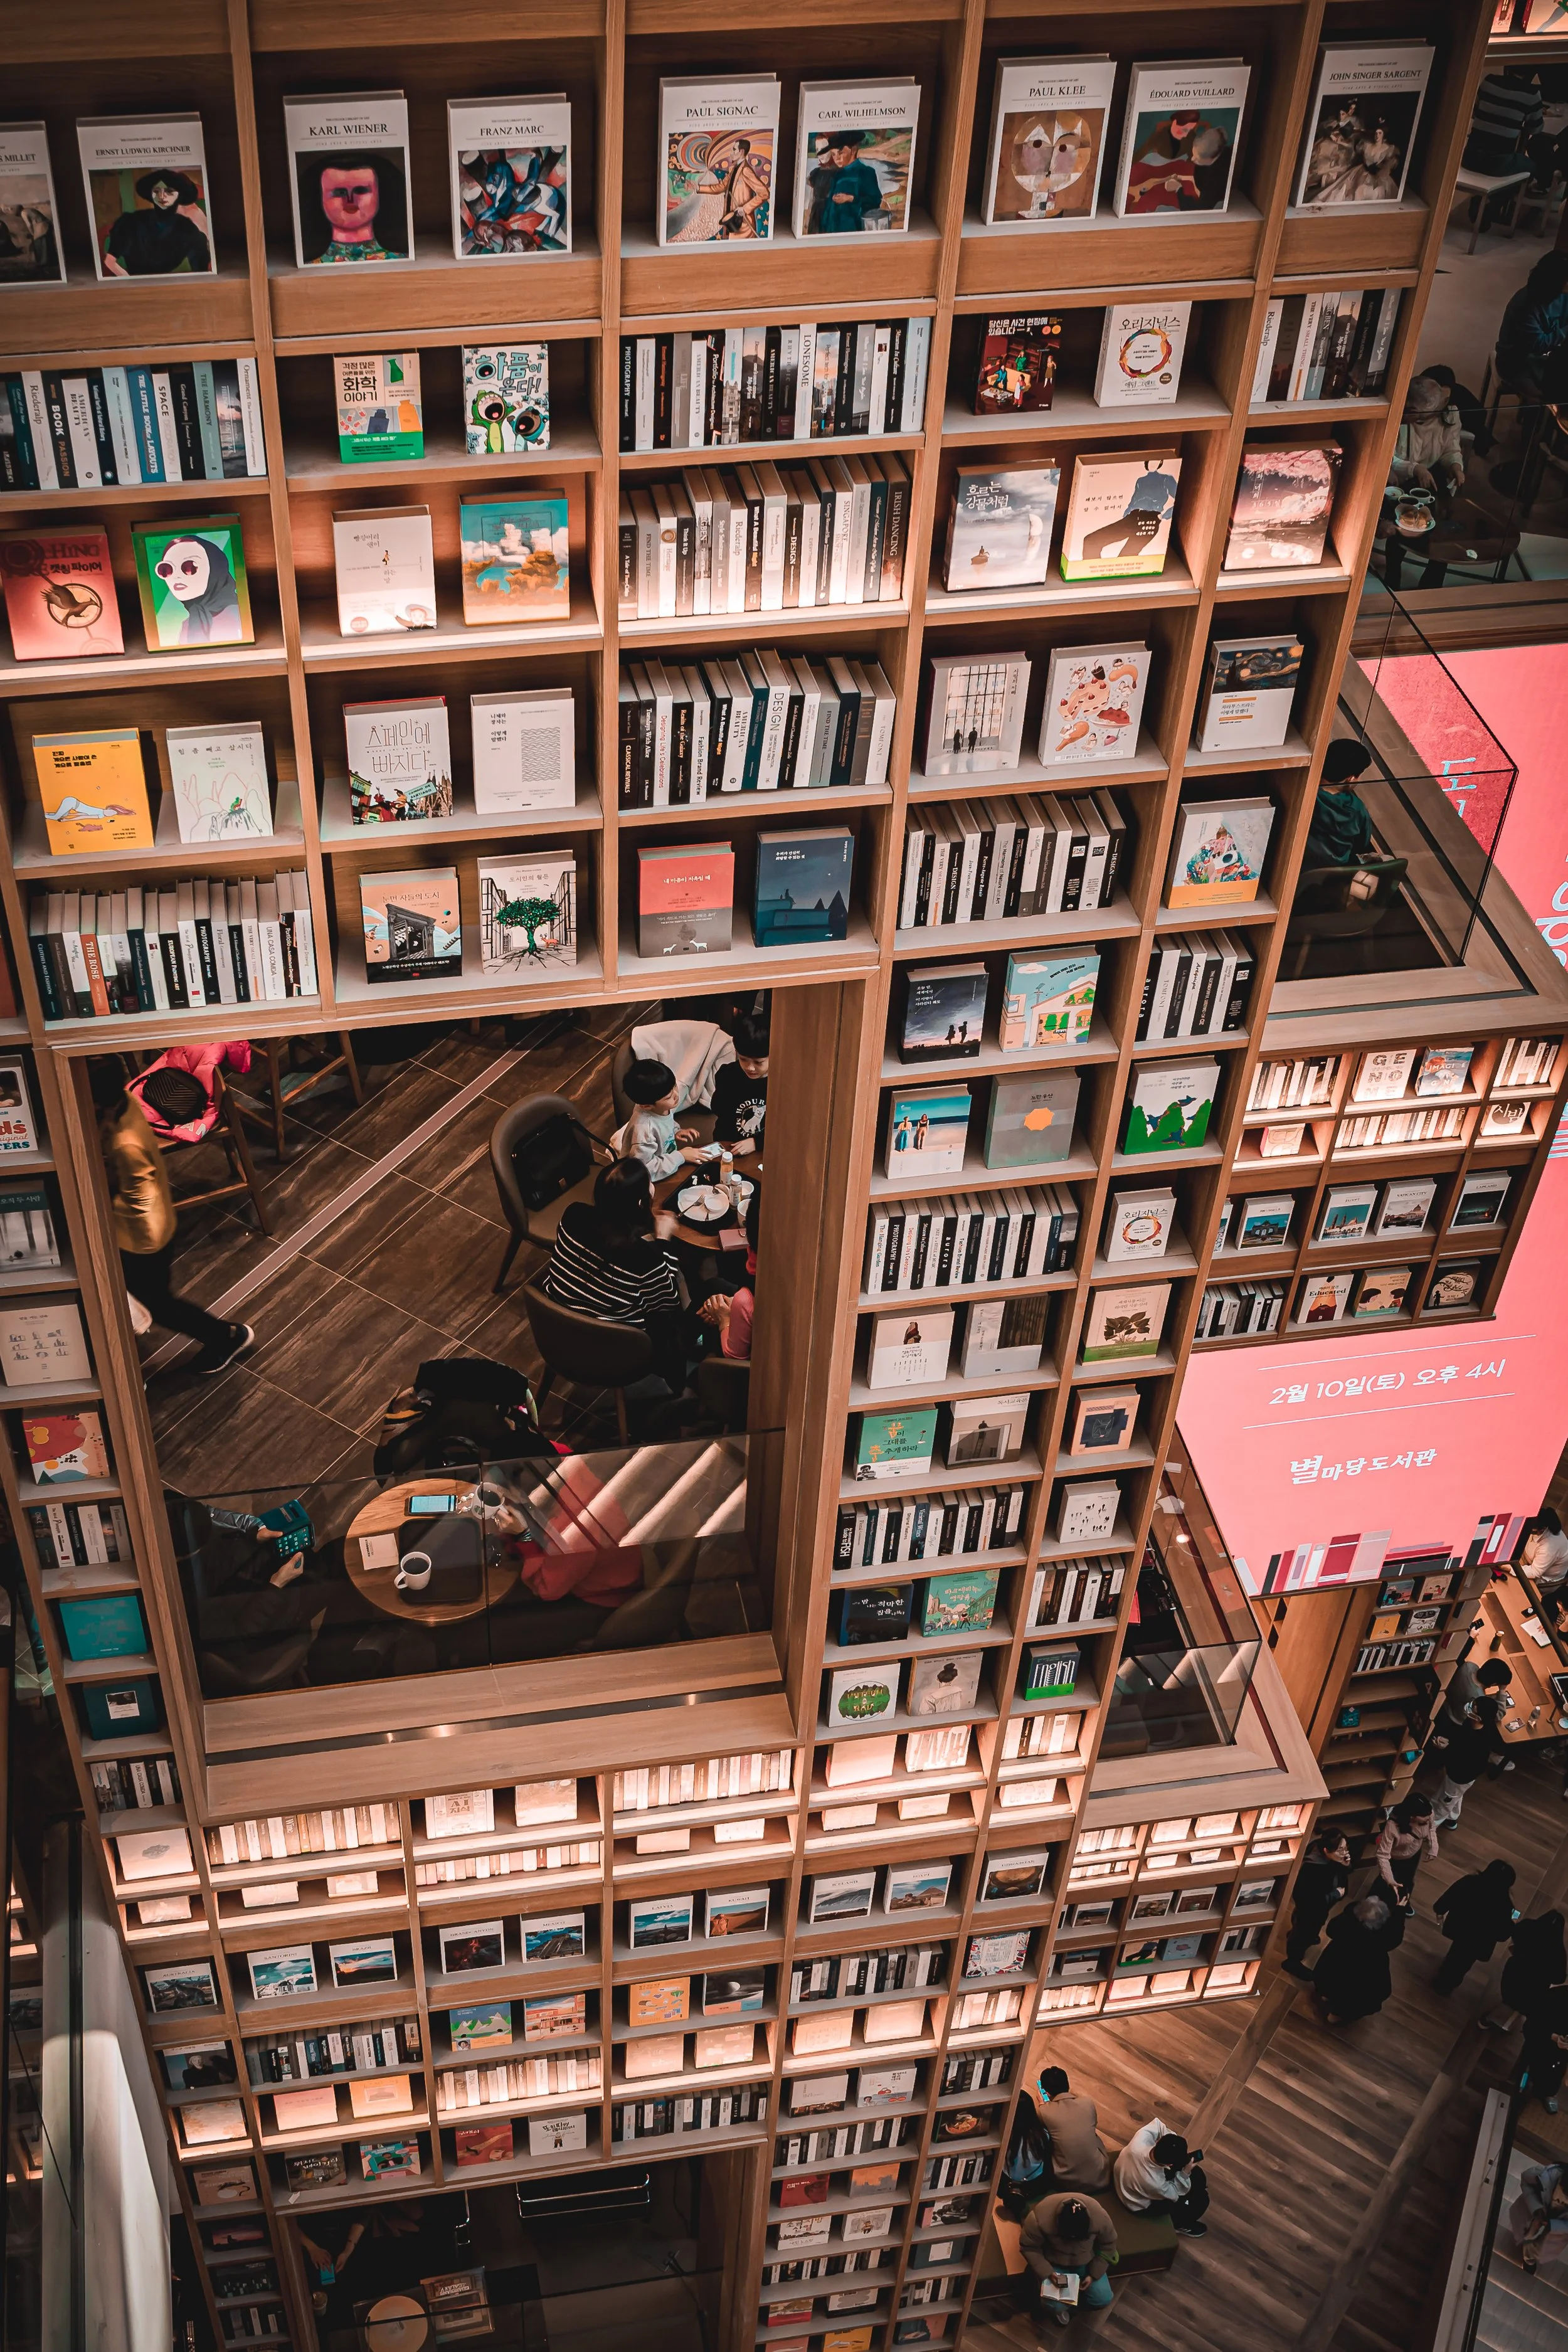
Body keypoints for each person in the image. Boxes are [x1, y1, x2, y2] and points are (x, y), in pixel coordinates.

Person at [88, 1057, 254, 1375]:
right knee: (153, 1299)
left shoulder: (125, 1144)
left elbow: (139, 1195)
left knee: (158, 1304)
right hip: (147, 1225)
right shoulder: (122, 1103)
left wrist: (106, 1217)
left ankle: (225, 1337)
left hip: (143, 1236)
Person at [542, 1157, 684, 1394]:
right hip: (612, 1350)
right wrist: (663, 1242)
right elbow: (667, 1299)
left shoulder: (572, 1215)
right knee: (670, 1321)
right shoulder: (643, 1257)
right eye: (650, 1184)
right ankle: (680, 1382)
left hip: (555, 1331)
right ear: (641, 1203)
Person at [1380, 375, 1465, 591]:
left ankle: (1431, 586)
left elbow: (1451, 449)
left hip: (1432, 477)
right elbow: (1388, 455)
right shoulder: (1403, 417)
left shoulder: (1448, 414)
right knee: (1402, 527)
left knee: (1442, 532)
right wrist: (1415, 469)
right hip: (1402, 479)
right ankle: (1392, 578)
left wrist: (1455, 466)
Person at [1017, 2191, 1118, 2329]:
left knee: (1103, 2298)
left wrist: (1094, 2274)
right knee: (1054, 2305)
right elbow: (1029, 2247)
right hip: (1055, 2266)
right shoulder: (1038, 2219)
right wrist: (1047, 2272)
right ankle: (1063, 2304)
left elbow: (1109, 2245)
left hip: (1087, 2262)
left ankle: (1075, 2299)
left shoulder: (1100, 2217)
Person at [1312, 1894, 1407, 2026]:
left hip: (1337, 1961)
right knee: (1356, 1996)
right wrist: (1399, 1911)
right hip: (1363, 1975)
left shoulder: (1349, 1921)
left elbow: (1331, 1930)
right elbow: (1395, 1937)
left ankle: (1326, 1995)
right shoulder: (1381, 1939)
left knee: (1329, 1980)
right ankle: (1337, 2014)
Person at [103, 167, 210, 276]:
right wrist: (129, 281)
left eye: (169, 191)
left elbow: (201, 272)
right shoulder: (131, 222)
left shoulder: (188, 229)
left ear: (180, 194)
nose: (162, 196)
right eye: (157, 191)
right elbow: (110, 261)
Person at [696, 1180, 759, 1362]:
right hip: (744, 1309)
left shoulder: (745, 1299)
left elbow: (735, 1355)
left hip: (741, 1364)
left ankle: (703, 1365)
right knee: (714, 1289)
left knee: (711, 1308)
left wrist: (725, 1319)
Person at [1433, 1860, 1518, 1994]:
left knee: (1455, 1952)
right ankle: (1450, 1982)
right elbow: (1503, 1933)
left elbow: (1452, 1895)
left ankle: (1444, 1975)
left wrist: (1440, 1909)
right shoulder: (1505, 1904)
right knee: (1465, 1963)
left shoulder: (1470, 1882)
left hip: (1461, 1929)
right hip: (1480, 1941)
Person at [619, 1057, 708, 1182]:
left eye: (675, 1087)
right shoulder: (645, 1132)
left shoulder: (661, 1106)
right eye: (669, 1097)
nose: (676, 1096)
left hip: (665, 1161)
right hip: (646, 1178)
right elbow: (645, 1170)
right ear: (647, 1106)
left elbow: (664, 1121)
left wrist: (676, 1130)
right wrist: (681, 1156)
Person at [1114, 2121, 1209, 2238]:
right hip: (1136, 2204)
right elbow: (1175, 2194)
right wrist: (1186, 2172)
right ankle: (1179, 2224)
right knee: (1201, 2200)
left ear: (1158, 2141)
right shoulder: (1154, 2183)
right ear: (1170, 2164)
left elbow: (1159, 2125)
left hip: (1125, 2176)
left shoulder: (1141, 2138)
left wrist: (1172, 2144)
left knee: (1196, 2180)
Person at [1497, 249, 1568, 400]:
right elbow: (1538, 345)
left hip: (1546, 357)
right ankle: (1536, 420)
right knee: (1555, 396)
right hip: (1515, 363)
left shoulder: (1563, 295)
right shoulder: (1525, 305)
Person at [1485, 1909, 1567, 2034]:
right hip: (1535, 1987)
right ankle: (1505, 2021)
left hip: (1514, 1973)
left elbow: (1516, 1936)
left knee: (1509, 1996)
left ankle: (1497, 2017)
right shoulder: (1558, 1952)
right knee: (1523, 2003)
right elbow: (1559, 1978)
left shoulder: (1527, 1927)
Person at [1284, 1830, 1352, 1979]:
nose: (1345, 1852)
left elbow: (1341, 1873)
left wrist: (1345, 1865)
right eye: (1340, 1850)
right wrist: (1334, 1895)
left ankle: (1301, 1935)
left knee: (1306, 1926)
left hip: (1320, 1907)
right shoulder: (1312, 1870)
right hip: (1312, 1910)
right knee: (1304, 1931)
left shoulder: (1330, 1857)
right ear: (1326, 1851)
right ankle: (1293, 1961)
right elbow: (1307, 1900)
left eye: (1345, 1848)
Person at [1032, 2066, 1111, 2193]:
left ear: (1045, 2093)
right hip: (1100, 2175)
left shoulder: (1044, 2111)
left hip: (1066, 2182)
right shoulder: (1088, 2103)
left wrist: (1042, 2105)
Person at [1429, 1701, 1508, 1826]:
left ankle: (1431, 1825)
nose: (1469, 1708)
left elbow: (1462, 1757)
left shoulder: (1479, 1742)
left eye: (1473, 1709)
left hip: (1460, 1776)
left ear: (1478, 1718)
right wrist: (1449, 1742)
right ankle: (1452, 1819)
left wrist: (1446, 1749)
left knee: (1443, 1803)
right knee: (1456, 1796)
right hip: (1461, 1774)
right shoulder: (1471, 1723)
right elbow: (1460, 1741)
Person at [1303, 738, 1376, 874]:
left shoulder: (1304, 793)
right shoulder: (1357, 809)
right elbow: (1362, 845)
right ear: (1351, 778)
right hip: (1335, 877)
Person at [709, 1010, 768, 1154]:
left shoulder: (782, 1082)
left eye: (759, 1062)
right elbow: (719, 1110)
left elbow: (786, 1126)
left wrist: (757, 1142)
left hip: (764, 1146)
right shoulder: (727, 1075)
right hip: (728, 1143)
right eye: (743, 1059)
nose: (750, 1067)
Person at [805, 131, 886, 233]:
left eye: (841, 153)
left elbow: (875, 201)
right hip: (832, 230)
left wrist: (850, 198)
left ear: (854, 150)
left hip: (852, 228)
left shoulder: (866, 172)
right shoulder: (837, 174)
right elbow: (829, 205)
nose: (837, 158)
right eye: (833, 155)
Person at [1375, 1791, 1439, 1904]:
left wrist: (1434, 1845)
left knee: (1409, 1881)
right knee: (1385, 1883)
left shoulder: (1428, 1812)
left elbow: (1432, 1827)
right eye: (1425, 1817)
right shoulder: (1392, 1827)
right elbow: (1383, 1855)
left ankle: (1405, 1901)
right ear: (1412, 1816)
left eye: (1430, 1815)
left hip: (1414, 1854)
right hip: (1395, 1860)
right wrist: (1389, 1879)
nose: (1429, 1818)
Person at [1509, 2163, 1568, 2280]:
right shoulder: (1545, 2175)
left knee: (1541, 2248)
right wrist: (1536, 2208)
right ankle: (1527, 2254)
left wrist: (1553, 2224)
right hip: (1534, 2211)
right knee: (1525, 2232)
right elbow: (1526, 2179)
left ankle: (1529, 2257)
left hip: (1559, 2226)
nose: (1562, 2200)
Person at [1522, 1982, 1568, 2116]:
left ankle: (1547, 2094)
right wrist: (1553, 2037)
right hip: (1542, 2044)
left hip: (1561, 2058)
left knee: (1554, 2078)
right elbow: (1531, 2025)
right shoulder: (1554, 1997)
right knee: (1529, 2068)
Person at [1522, 1508, 1568, 1624]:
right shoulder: (1540, 1529)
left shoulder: (1550, 1546)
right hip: (1527, 1563)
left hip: (1544, 1582)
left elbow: (1535, 1572)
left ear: (1542, 1529)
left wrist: (1509, 1568)